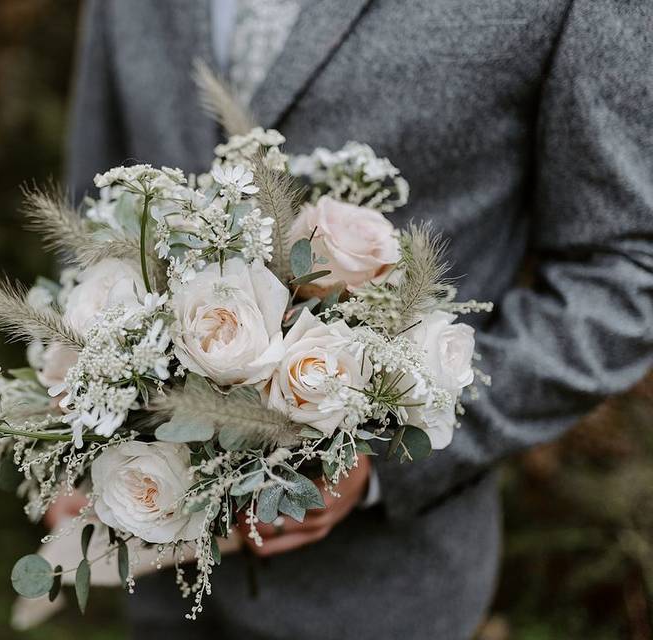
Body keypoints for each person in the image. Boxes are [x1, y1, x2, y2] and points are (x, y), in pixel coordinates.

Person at [52, 1, 653, 638]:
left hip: (376, 594)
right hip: (149, 569)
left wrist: (387, 448)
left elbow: (625, 271)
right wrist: (78, 426)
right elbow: (97, 197)